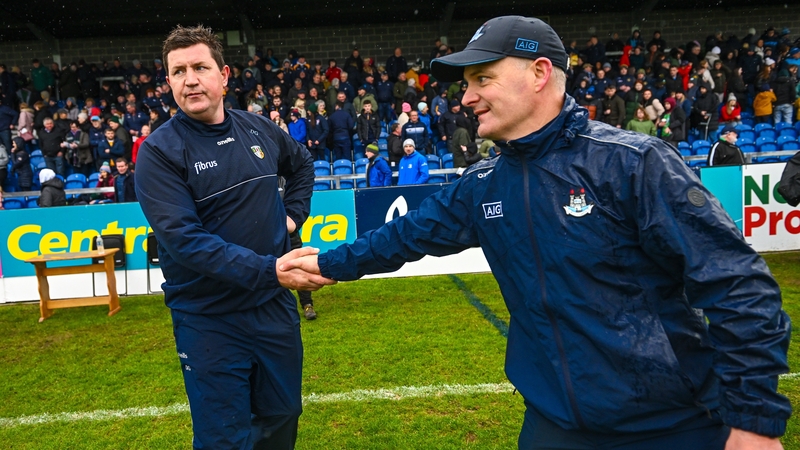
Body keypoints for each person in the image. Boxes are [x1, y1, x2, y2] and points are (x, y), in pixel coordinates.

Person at [280, 16, 790, 450]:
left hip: (671, 424)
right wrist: (329, 263)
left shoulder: (633, 163)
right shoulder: (481, 184)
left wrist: (754, 421)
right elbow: (406, 235)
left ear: (540, 73)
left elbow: (737, 285)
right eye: (466, 84)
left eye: (482, 79)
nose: (468, 97)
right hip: (552, 427)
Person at [134, 25, 329, 450]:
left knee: (282, 415)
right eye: (178, 71)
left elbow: (302, 166)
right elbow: (186, 241)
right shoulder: (159, 153)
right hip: (209, 319)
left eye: (200, 67)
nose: (190, 79)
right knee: (223, 437)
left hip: (272, 310)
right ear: (168, 82)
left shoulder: (258, 129)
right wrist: (272, 270)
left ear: (223, 75)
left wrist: (291, 217)